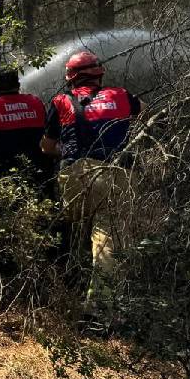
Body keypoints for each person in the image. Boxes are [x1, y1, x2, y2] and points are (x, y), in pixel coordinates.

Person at [40, 50, 142, 301]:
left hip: (76, 175)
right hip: (115, 174)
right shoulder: (123, 95)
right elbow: (147, 118)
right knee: (106, 242)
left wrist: (65, 149)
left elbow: (46, 146)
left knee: (69, 229)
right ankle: (99, 308)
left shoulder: (61, 101)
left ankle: (59, 289)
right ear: (99, 74)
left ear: (70, 77)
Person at [0, 69, 52, 184]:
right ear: (18, 85)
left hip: (5, 180)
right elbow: (49, 132)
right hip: (40, 176)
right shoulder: (36, 102)